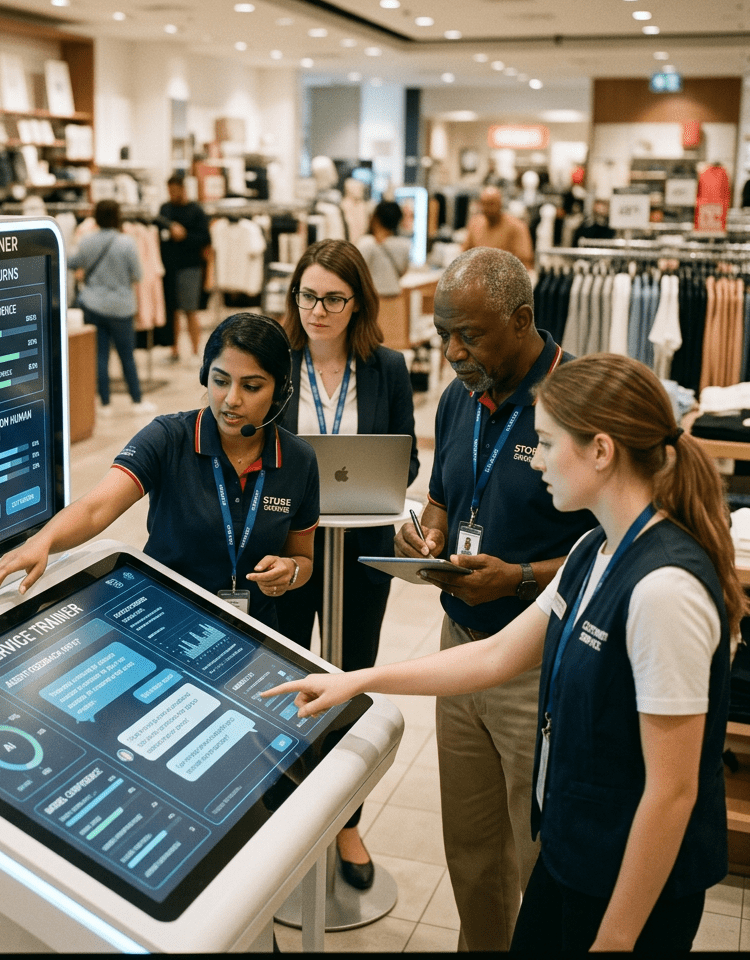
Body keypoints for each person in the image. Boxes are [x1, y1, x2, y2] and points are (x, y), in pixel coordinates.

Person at [265, 352, 740, 952]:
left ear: (601, 450)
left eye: (545, 442)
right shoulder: (594, 550)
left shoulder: (666, 590)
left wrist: (616, 940)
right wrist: (358, 680)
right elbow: (493, 657)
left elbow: (673, 792)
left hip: (629, 885)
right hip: (573, 850)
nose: (535, 459)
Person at [397, 246, 595, 950]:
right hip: (461, 647)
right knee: (472, 848)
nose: (452, 351)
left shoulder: (577, 400)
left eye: (469, 334)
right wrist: (433, 533)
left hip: (539, 664)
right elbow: (449, 493)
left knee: (538, 850)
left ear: (521, 320)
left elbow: (608, 550)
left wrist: (516, 578)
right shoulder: (458, 396)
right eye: (443, 333)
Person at [0, 313, 319, 628]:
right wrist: (44, 541)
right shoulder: (168, 437)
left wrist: (290, 572)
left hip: (251, 632)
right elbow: (96, 507)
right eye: (220, 381)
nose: (231, 399)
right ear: (205, 376)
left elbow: (303, 560)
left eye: (251, 386)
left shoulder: (299, 460)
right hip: (162, 621)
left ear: (279, 393)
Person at [276, 238, 419, 891]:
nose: (319, 310)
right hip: (288, 540)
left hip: (363, 538)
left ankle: (347, 821)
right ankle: (278, 808)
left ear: (358, 301)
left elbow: (408, 460)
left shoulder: (386, 368)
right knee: (278, 666)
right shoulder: (275, 362)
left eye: (334, 298)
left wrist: (381, 482)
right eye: (309, 296)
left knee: (352, 667)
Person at [69, 199, 154, 416]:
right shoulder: (127, 242)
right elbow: (137, 274)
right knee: (127, 355)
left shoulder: (87, 240)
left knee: (100, 356)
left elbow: (72, 262)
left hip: (92, 304)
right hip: (121, 307)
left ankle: (105, 404)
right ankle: (136, 401)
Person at [157, 174, 210, 362]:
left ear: (182, 189)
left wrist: (184, 235)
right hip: (169, 267)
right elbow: (157, 225)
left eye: (174, 191)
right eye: (169, 191)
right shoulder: (165, 209)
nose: (171, 194)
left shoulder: (196, 211)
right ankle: (174, 350)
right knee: (172, 310)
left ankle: (196, 351)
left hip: (190, 267)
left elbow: (205, 239)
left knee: (190, 310)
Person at [462, 186, 535, 269]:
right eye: (484, 203)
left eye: (491, 203)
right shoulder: (475, 223)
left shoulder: (517, 226)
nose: (486, 208)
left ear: (500, 204)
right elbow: (465, 254)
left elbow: (525, 261)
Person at [356, 200, 411, 297]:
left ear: (376, 218)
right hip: (396, 298)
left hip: (373, 299)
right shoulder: (404, 245)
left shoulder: (367, 242)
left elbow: (357, 272)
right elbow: (403, 272)